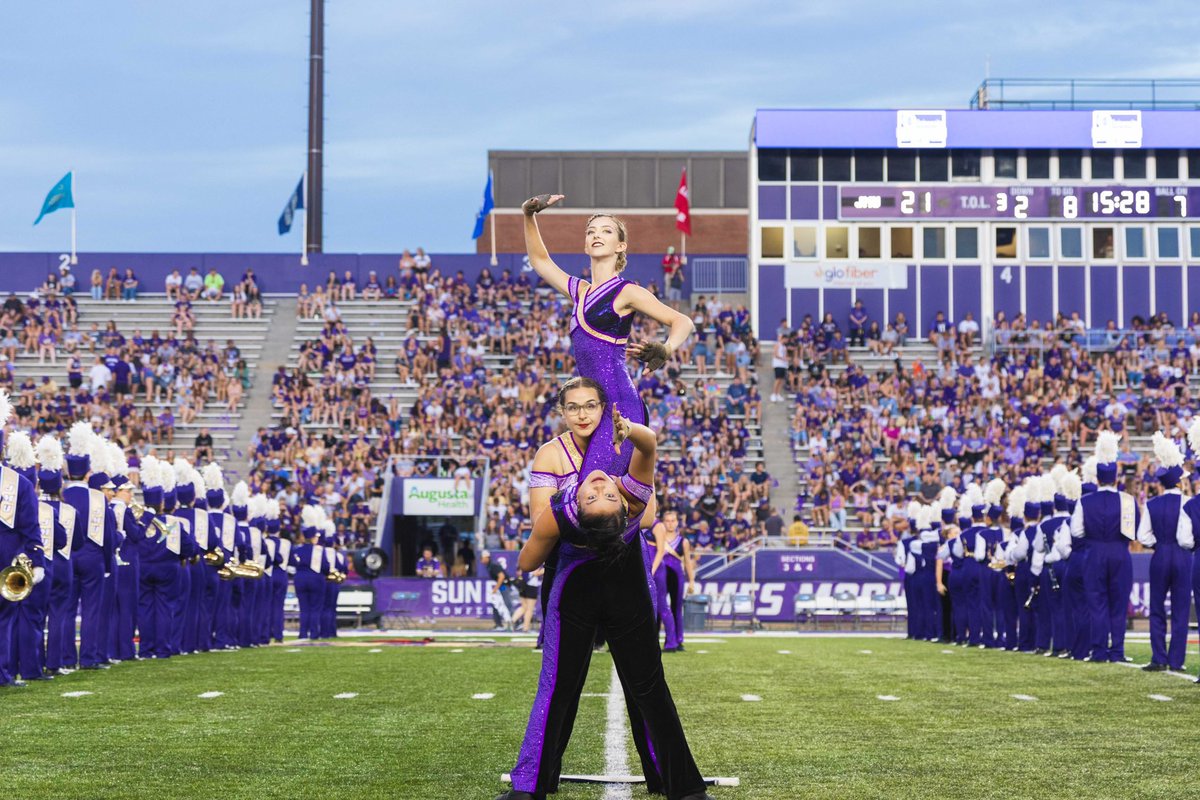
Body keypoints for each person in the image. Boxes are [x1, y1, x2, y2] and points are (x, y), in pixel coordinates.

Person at [500, 410, 712, 800]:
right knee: (560, 688)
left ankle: (680, 787)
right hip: (585, 594)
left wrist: (555, 535)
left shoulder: (563, 511)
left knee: (645, 689)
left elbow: (525, 563)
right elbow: (648, 445)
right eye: (601, 495)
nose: (599, 485)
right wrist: (630, 430)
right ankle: (529, 788)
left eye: (603, 495)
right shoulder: (629, 497)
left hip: (617, 590)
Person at [1070, 431, 1138, 663]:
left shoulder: (1084, 501)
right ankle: (1117, 651)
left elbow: (1076, 532)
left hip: (1093, 553)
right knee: (1118, 604)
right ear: (1116, 478)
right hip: (1120, 553)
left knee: (1097, 602)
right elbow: (1132, 533)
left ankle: (1098, 651)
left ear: (1097, 479)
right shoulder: (1128, 500)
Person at [1137, 431, 1192, 672]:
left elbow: (1143, 536)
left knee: (1157, 607)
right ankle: (1176, 661)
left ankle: (1159, 658)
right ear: (1179, 481)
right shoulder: (1188, 502)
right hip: (1182, 556)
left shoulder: (1152, 504)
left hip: (1160, 555)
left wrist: (1159, 545)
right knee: (1180, 610)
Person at [482, 550, 513, 631]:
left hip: (504, 586)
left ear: (487, 558)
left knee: (507, 604)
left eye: (482, 558)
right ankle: (499, 624)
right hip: (502, 586)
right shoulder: (490, 565)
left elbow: (501, 576)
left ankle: (515, 623)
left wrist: (495, 589)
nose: (481, 560)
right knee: (496, 605)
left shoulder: (493, 565)